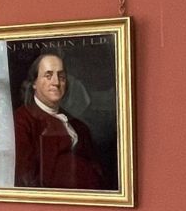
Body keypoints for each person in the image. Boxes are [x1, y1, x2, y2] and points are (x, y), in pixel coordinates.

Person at [12, 52, 112, 190]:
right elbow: (25, 179)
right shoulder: (21, 121)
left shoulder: (79, 127)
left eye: (61, 76)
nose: (56, 82)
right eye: (48, 76)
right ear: (34, 83)